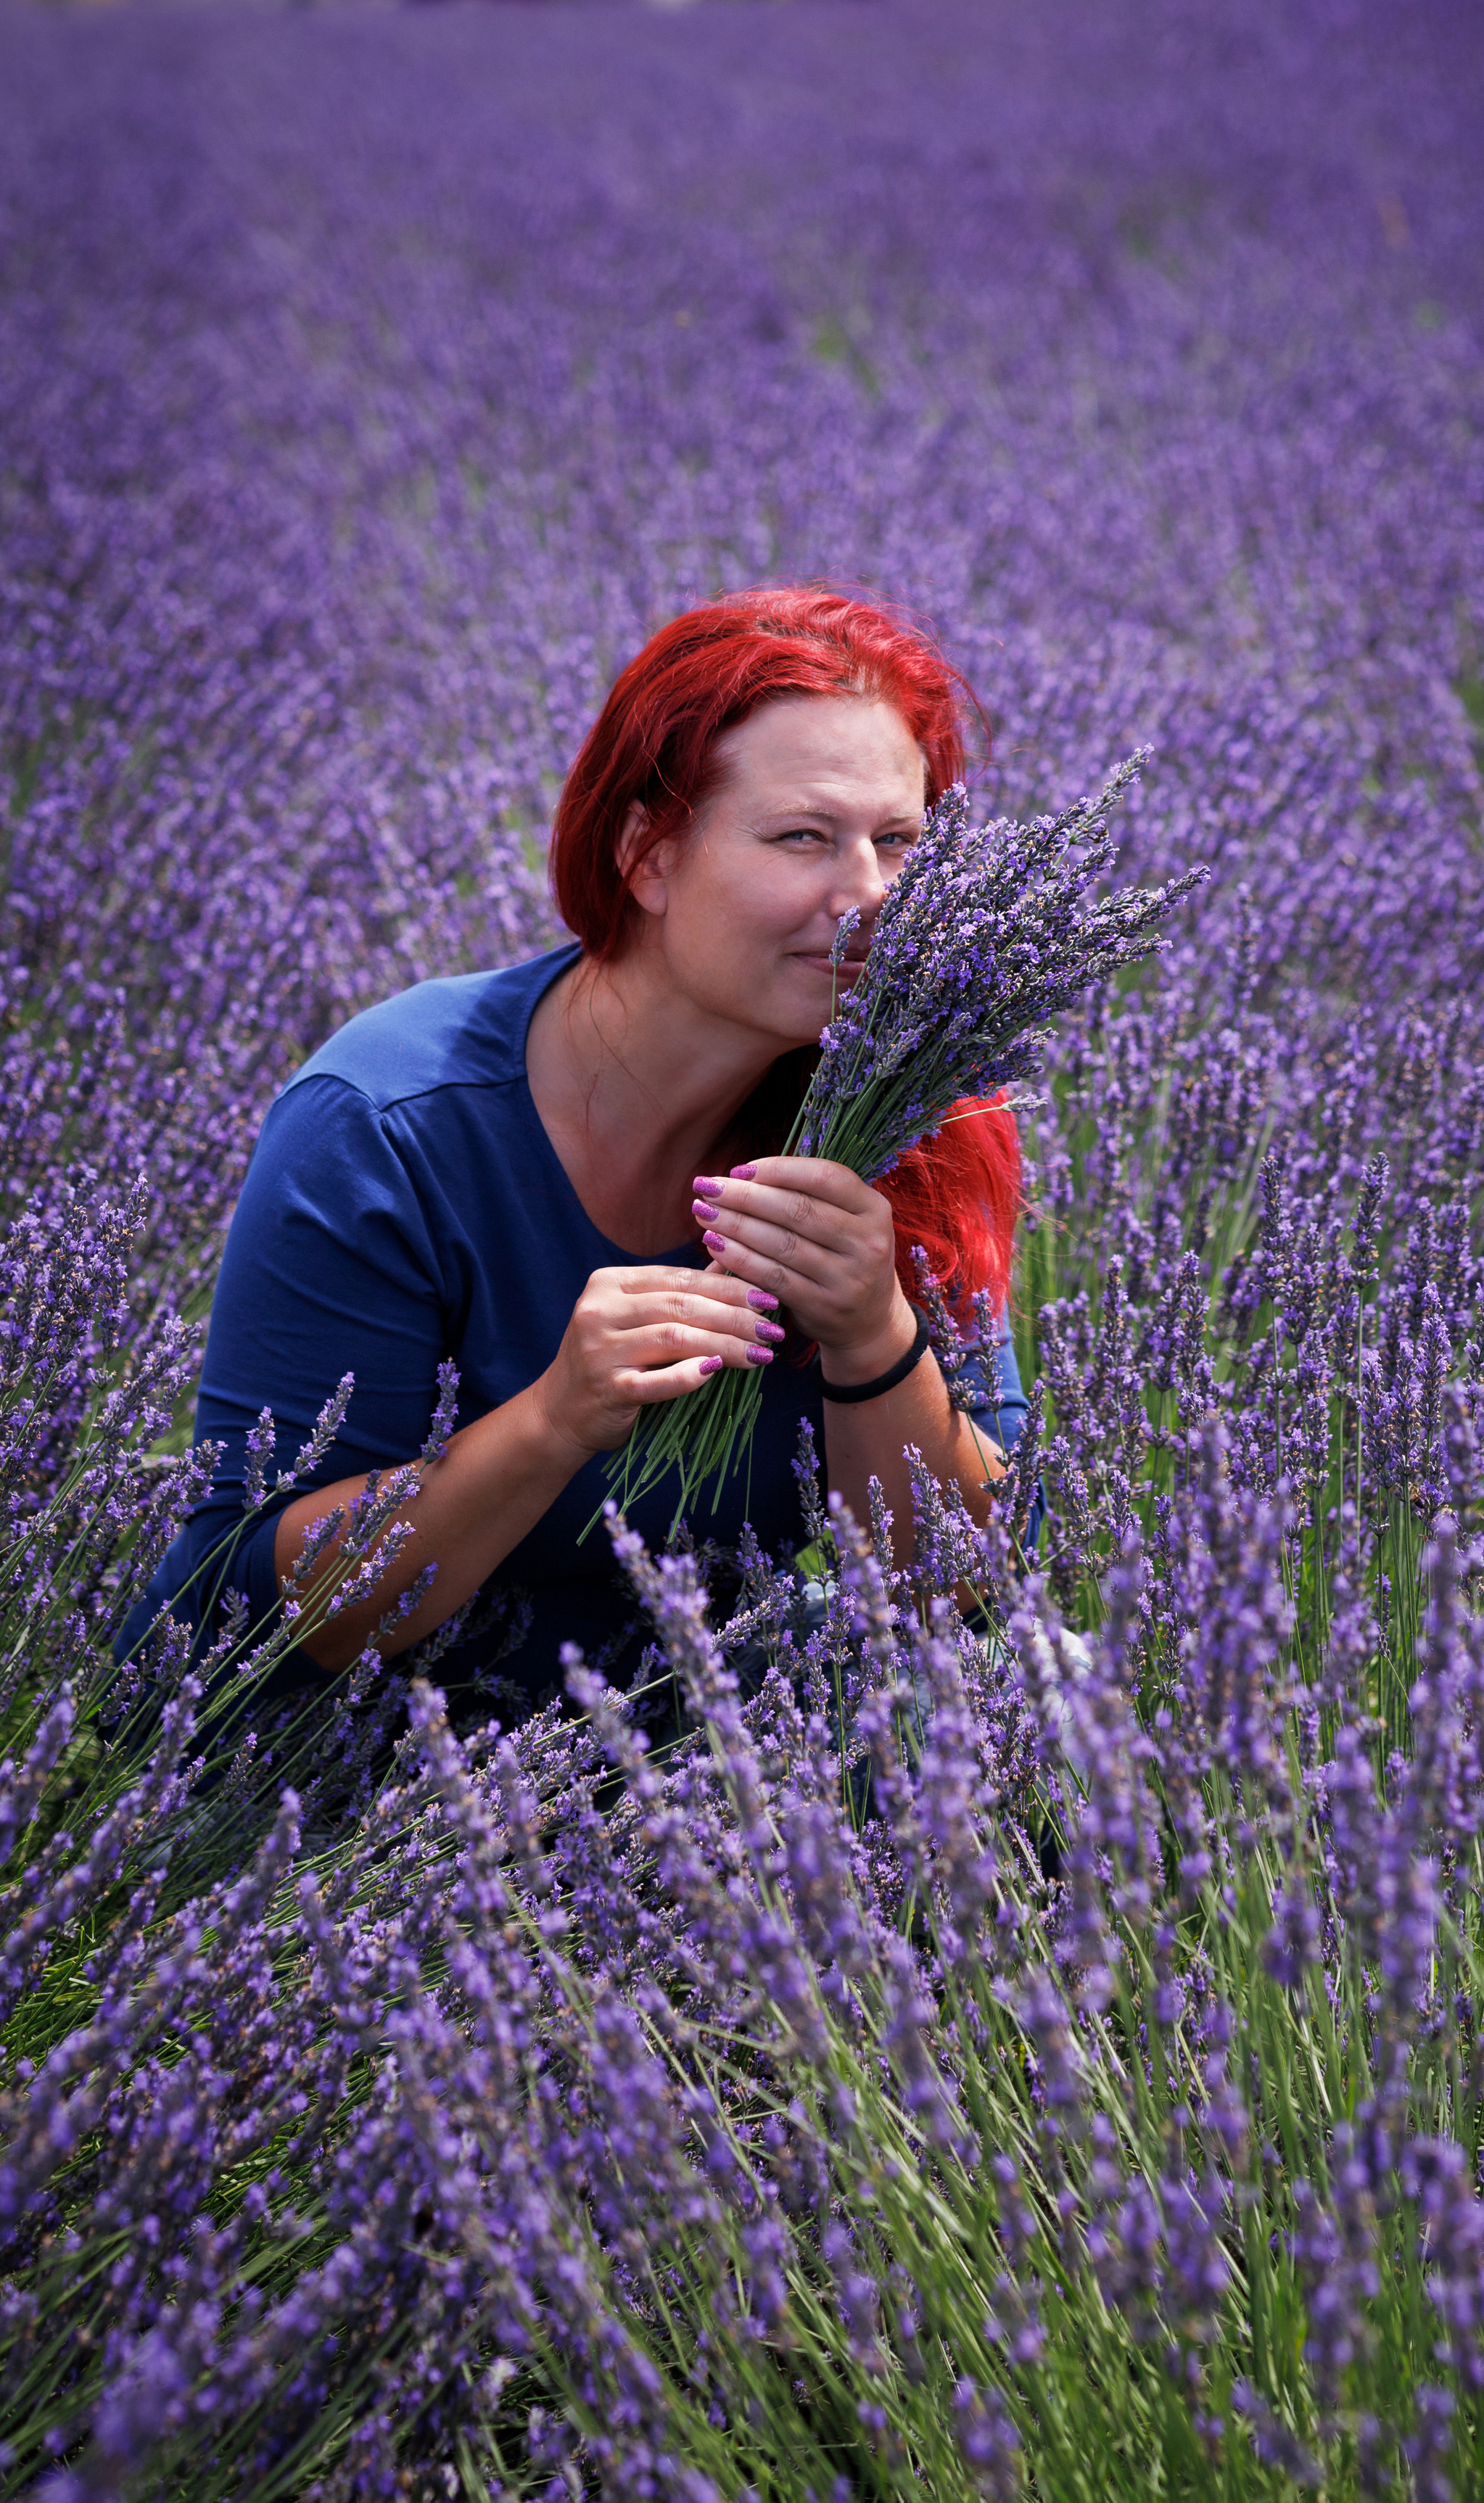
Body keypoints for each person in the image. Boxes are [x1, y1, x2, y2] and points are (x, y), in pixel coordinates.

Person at [125, 589, 1027, 1707]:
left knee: (1047, 1703)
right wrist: (551, 1422)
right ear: (647, 853)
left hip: (684, 1731)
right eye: (804, 836)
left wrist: (872, 1335)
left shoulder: (917, 1120)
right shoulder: (389, 1127)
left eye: (899, 841)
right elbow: (236, 1609)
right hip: (344, 1783)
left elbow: (960, 1594)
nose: (869, 897)